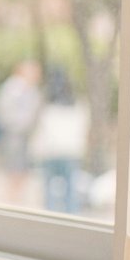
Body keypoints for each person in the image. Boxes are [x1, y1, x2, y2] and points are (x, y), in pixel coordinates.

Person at [29, 66, 89, 214]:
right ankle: (72, 218)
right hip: (71, 151)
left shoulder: (45, 105)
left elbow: (38, 128)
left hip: (50, 151)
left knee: (48, 188)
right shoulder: (78, 104)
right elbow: (84, 127)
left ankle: (49, 216)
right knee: (70, 189)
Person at [0, 60, 42, 205]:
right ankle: (11, 199)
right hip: (14, 133)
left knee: (23, 168)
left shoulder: (31, 89)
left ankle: (17, 198)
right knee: (14, 167)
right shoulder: (13, 88)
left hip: (25, 134)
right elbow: (4, 112)